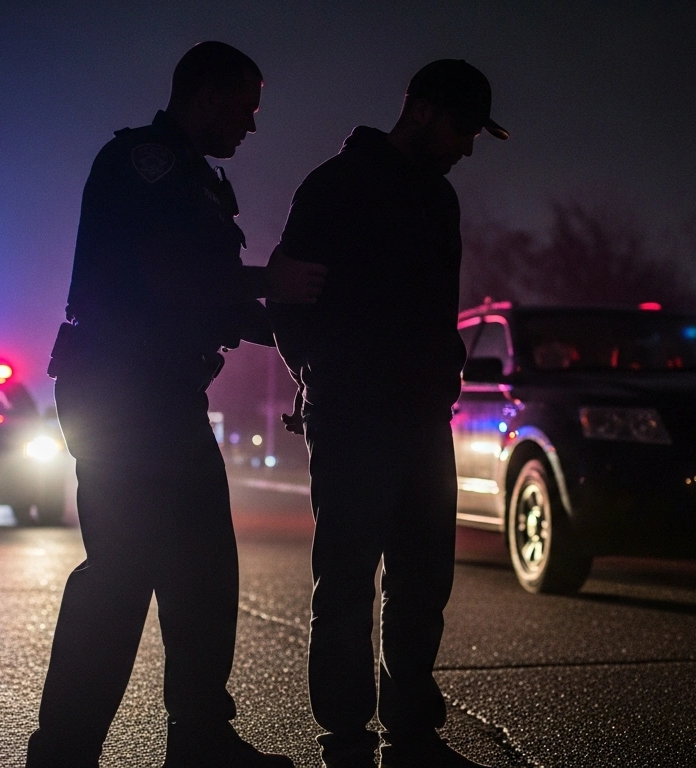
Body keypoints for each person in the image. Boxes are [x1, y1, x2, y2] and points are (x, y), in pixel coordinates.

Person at [27, 41, 324, 768]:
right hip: (125, 395)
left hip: (162, 395)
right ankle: (64, 752)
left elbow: (211, 299)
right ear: (206, 95)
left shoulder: (198, 181)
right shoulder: (144, 165)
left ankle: (200, 738)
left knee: (203, 569)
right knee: (122, 574)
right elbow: (173, 281)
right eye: (246, 108)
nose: (252, 128)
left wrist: (299, 324)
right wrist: (271, 285)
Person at [270, 59, 509, 768]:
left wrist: (441, 376)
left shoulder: (439, 200)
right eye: (463, 128)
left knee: (423, 576)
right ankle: (346, 733)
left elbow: (437, 311)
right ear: (424, 110)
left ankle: (411, 720)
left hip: (422, 417)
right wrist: (319, 377)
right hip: (351, 416)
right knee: (347, 579)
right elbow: (287, 299)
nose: (468, 147)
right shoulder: (335, 185)